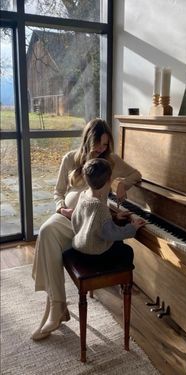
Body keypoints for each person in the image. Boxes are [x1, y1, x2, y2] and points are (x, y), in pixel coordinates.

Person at [31, 118, 142, 341]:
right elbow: (58, 192)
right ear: (87, 141)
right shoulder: (70, 158)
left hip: (91, 223)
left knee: (48, 237)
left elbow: (136, 174)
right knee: (46, 231)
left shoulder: (109, 160)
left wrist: (122, 184)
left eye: (105, 144)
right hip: (69, 219)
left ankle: (56, 308)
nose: (101, 149)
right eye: (97, 144)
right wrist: (62, 209)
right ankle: (58, 306)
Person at [70, 158, 145, 261]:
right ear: (110, 180)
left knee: (118, 243)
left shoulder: (83, 196)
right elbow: (112, 233)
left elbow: (79, 220)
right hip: (95, 253)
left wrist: (114, 217)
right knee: (127, 251)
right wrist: (132, 227)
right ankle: (118, 276)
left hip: (80, 245)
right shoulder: (100, 207)